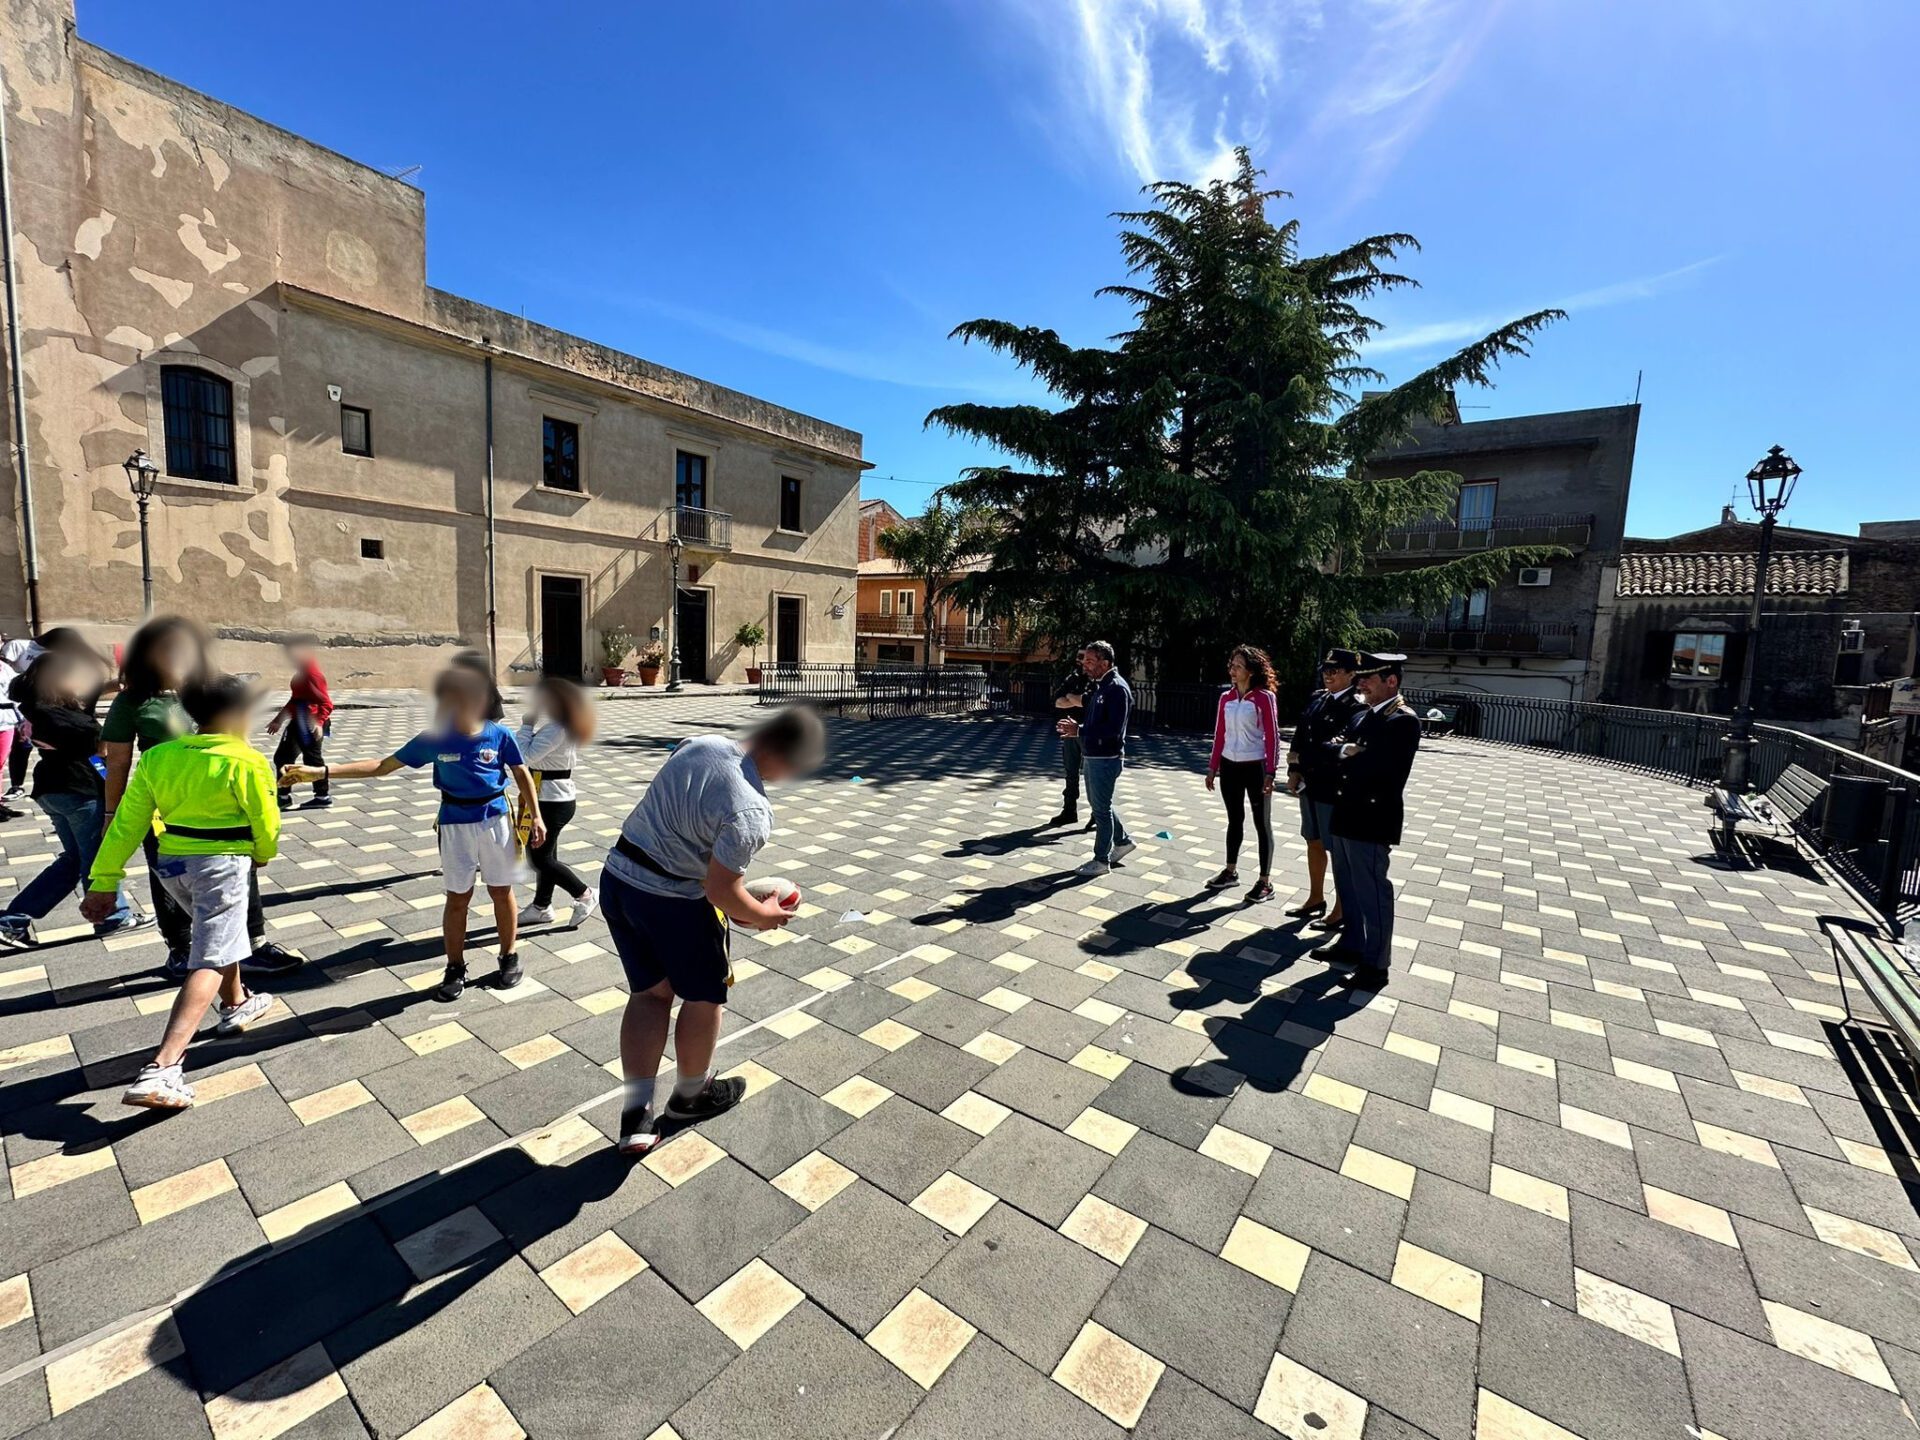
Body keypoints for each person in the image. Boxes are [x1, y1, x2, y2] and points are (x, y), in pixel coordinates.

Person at [605, 705, 825, 1155]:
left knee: (650, 995)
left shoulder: (701, 744)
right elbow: (721, 890)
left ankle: (636, 1116)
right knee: (704, 997)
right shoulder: (752, 810)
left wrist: (736, 897)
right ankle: (691, 1095)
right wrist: (762, 915)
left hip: (619, 880)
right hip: (673, 901)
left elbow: (686, 822)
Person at [283, 664, 542, 1000]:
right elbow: (382, 766)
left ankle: (509, 956)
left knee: (501, 891)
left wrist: (536, 816)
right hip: (455, 824)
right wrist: (321, 771)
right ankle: (455, 966)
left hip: (495, 819)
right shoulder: (435, 738)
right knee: (458, 898)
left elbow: (521, 773)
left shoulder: (499, 734)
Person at [83, 674, 281, 1110]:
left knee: (218, 933)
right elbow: (266, 821)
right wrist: (263, 853)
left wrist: (104, 879)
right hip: (222, 864)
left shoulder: (158, 757)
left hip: (171, 863)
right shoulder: (246, 760)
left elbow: (128, 822)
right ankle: (164, 1066)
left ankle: (236, 1002)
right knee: (209, 954)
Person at [100, 618, 301, 979]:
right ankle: (181, 948)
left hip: (223, 800)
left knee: (241, 872)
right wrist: (111, 814)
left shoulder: (212, 687)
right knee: (169, 875)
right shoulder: (133, 701)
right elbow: (117, 762)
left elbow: (238, 736)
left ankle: (253, 945)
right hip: (165, 807)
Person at [0, 650, 150, 947]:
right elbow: (100, 743)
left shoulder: (39, 705)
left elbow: (87, 706)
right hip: (77, 791)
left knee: (74, 860)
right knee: (97, 857)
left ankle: (12, 921)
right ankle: (112, 917)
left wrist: (113, 686)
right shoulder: (56, 715)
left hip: (55, 789)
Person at [1312, 652, 1420, 989]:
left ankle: (1375, 965)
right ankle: (1352, 944)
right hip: (1346, 812)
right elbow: (1325, 747)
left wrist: (1344, 756)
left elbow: (1380, 770)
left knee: (1372, 893)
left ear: (1391, 681)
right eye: (1359, 679)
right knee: (1348, 886)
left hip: (1372, 818)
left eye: (1368, 679)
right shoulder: (1362, 716)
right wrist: (1344, 752)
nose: (1361, 685)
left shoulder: (1402, 721)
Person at [515, 676, 600, 927]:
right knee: (548, 854)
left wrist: (526, 726)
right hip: (552, 795)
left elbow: (524, 756)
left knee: (539, 859)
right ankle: (542, 906)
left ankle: (584, 893)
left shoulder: (557, 729)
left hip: (551, 800)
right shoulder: (561, 725)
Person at [1284, 649, 1361, 926]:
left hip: (1333, 787)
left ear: (1351, 674)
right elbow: (1301, 735)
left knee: (1337, 850)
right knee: (1313, 841)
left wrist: (1300, 759)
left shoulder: (1356, 707)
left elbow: (1337, 749)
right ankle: (1315, 897)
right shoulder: (1319, 698)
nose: (1328, 675)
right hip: (1310, 783)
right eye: (1325, 670)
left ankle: (1341, 909)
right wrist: (1294, 770)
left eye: (1335, 670)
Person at [1206, 645, 1281, 903]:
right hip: (1230, 765)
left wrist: (1271, 771)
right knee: (1234, 819)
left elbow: (1272, 736)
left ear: (1251, 670)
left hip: (1255, 766)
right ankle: (1230, 871)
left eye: (1238, 666)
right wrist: (1212, 767)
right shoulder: (1225, 698)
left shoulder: (1264, 698)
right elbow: (1220, 734)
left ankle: (1265, 882)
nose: (1233, 669)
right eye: (1232, 665)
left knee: (1262, 823)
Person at [1056, 640, 1134, 876]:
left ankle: (1101, 861)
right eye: (1084, 660)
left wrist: (1079, 730)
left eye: (1090, 661)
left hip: (1106, 757)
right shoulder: (1101, 686)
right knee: (1101, 805)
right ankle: (1123, 842)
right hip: (1095, 755)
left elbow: (1113, 729)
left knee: (1101, 809)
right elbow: (1094, 718)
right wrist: (1078, 728)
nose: (1085, 665)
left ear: (1105, 663)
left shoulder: (1116, 688)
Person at [269, 640, 333, 810]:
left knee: (312, 760)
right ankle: (283, 797)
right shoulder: (302, 673)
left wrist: (319, 723)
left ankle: (322, 796)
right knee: (283, 758)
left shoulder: (312, 675)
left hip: (309, 723)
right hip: (299, 719)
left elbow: (326, 703)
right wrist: (278, 719)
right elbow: (295, 699)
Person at [1047, 653, 1092, 828]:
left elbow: (1090, 702)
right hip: (1070, 731)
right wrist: (1077, 699)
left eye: (1084, 657)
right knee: (1071, 772)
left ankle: (1098, 812)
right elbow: (1057, 701)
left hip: (1089, 732)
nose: (1080, 661)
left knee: (1093, 774)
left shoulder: (1095, 680)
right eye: (1079, 657)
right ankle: (1069, 811)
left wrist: (1072, 698)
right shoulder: (1072, 678)